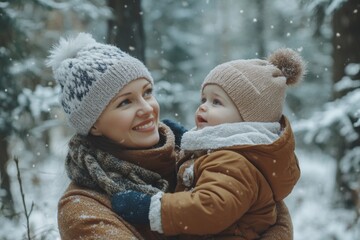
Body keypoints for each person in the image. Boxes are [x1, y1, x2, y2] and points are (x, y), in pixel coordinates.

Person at [47, 32, 297, 240]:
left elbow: (272, 214)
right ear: (94, 125)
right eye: (125, 102)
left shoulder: (206, 154)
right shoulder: (84, 207)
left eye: (147, 92)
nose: (146, 108)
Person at [111, 48, 305, 239]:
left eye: (216, 102)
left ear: (247, 121)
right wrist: (189, 142)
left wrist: (153, 209)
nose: (203, 106)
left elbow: (211, 207)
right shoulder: (236, 154)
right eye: (204, 98)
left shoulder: (233, 162)